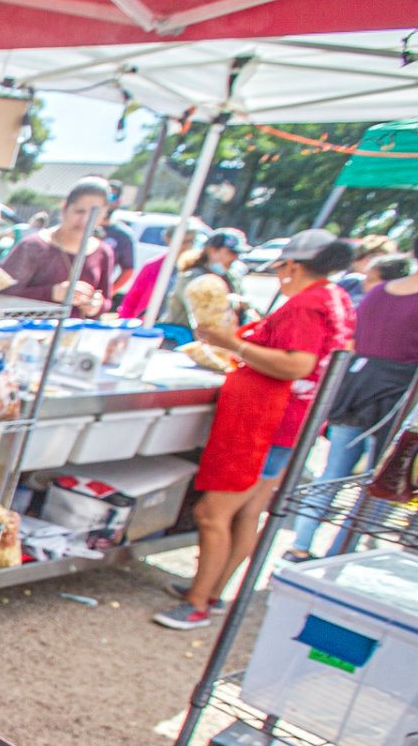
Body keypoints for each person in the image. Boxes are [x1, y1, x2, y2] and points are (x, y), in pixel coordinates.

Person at [155, 230, 355, 629]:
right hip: (289, 424)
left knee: (213, 513)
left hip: (268, 423)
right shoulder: (336, 298)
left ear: (292, 265)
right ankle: (209, 592)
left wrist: (234, 343)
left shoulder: (307, 305)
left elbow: (297, 364)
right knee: (248, 513)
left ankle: (197, 604)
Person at [282, 253, 418, 560]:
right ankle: (341, 554)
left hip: (357, 385)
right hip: (397, 396)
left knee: (333, 472)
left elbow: (353, 342)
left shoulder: (379, 292)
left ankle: (300, 545)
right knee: (381, 480)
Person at [0, 178, 115, 318]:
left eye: (94, 214)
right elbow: (3, 295)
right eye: (79, 211)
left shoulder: (103, 252)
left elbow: (106, 300)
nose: (84, 220)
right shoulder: (33, 246)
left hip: (73, 335)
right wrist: (52, 293)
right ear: (65, 208)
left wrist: (96, 305)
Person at [97, 180, 135, 299]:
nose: (107, 201)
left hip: (92, 303)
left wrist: (106, 295)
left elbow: (128, 270)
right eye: (104, 196)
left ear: (119, 201)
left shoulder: (122, 235)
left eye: (112, 196)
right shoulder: (77, 227)